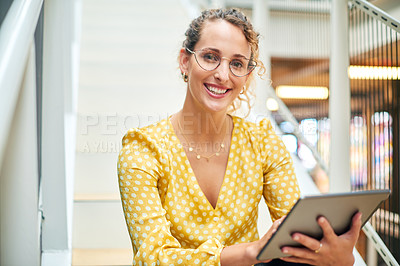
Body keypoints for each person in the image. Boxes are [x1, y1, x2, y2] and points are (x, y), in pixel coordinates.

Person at [117, 8, 362, 266]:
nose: (223, 75)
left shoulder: (263, 142)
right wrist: (248, 253)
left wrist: (339, 259)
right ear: (184, 61)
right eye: (210, 57)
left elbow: (296, 234)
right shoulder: (143, 149)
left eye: (236, 64)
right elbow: (152, 258)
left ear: (246, 74)